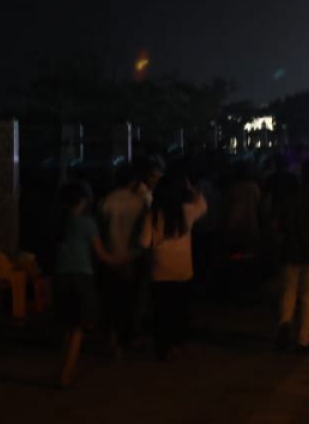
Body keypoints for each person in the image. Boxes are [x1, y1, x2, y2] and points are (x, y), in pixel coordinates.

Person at [55, 182, 124, 387]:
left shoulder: (60, 221)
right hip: (81, 275)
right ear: (84, 200)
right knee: (78, 327)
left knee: (68, 325)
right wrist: (122, 259)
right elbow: (102, 255)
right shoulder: (88, 223)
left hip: (60, 274)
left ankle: (64, 365)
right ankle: (66, 374)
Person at [140, 172, 207, 361]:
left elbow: (144, 242)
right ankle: (178, 344)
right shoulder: (186, 211)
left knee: (161, 311)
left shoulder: (152, 215)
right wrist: (191, 188)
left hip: (159, 270)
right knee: (179, 309)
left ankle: (163, 347)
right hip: (183, 270)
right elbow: (202, 205)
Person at [100, 157, 161, 354]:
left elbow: (100, 228)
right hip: (134, 256)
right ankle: (127, 339)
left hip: (110, 255)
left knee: (112, 299)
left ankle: (112, 338)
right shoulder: (139, 201)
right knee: (131, 300)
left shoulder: (107, 200)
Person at [274, 159, 309, 351]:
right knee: (308, 296)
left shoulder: (290, 198)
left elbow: (282, 223)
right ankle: (303, 338)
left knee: (288, 291)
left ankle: (285, 322)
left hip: (290, 250)